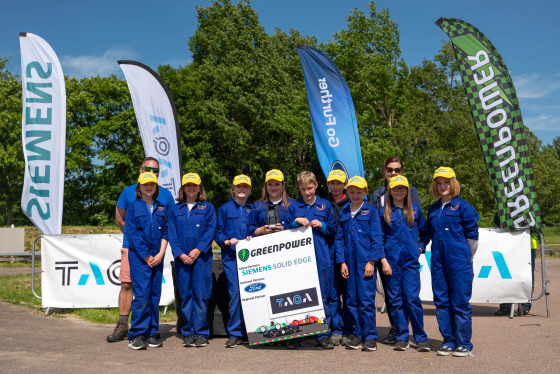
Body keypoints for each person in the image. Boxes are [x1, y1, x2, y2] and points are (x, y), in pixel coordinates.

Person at [107, 157, 175, 343]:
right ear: (140, 170)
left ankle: (151, 331)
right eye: (147, 169)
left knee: (152, 291)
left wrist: (159, 252)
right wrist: (138, 242)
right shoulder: (129, 193)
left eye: (155, 171)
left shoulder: (165, 196)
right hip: (134, 249)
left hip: (156, 251)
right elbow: (121, 219)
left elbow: (168, 225)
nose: (151, 174)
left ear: (158, 174)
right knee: (129, 286)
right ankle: (125, 327)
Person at [423, 167, 479, 357]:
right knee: (441, 302)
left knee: (460, 302)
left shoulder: (464, 207)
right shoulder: (432, 209)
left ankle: (463, 343)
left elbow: (473, 238)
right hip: (438, 262)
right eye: (438, 183)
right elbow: (426, 234)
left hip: (459, 263)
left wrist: (465, 258)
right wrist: (419, 247)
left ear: (453, 183)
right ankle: (448, 341)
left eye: (446, 182)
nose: (442, 186)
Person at [369, 156, 421, 345]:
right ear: (384, 171)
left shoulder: (411, 192)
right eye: (390, 169)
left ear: (402, 171)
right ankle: (396, 328)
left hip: (406, 252)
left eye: (397, 170)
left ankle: (408, 331)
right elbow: (374, 223)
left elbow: (417, 222)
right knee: (392, 295)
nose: (393, 173)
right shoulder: (376, 195)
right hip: (385, 252)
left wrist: (418, 246)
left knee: (409, 295)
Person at [335, 176, 388, 351]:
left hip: (365, 264)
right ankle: (357, 334)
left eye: (359, 192)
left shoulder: (371, 212)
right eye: (352, 192)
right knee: (350, 300)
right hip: (348, 264)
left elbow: (376, 239)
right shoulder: (344, 212)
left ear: (366, 192)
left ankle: (370, 336)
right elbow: (340, 239)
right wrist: (342, 262)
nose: (355, 195)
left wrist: (372, 262)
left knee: (365, 300)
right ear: (347, 192)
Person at [284, 171, 336, 350]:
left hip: (320, 256)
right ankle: (297, 336)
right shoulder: (293, 206)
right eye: (303, 189)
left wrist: (323, 225)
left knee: (321, 296)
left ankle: (322, 335)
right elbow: (284, 231)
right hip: (298, 259)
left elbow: (334, 229)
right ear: (298, 188)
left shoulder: (325, 205)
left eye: (310, 188)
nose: (307, 192)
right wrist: (294, 222)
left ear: (316, 186)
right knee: (298, 296)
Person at [378, 175, 430, 352]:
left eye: (402, 188)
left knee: (412, 298)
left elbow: (425, 231)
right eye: (395, 188)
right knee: (395, 299)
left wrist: (420, 248)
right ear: (390, 191)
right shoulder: (383, 212)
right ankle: (402, 336)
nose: (399, 191)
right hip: (390, 262)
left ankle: (420, 337)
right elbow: (379, 238)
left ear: (407, 190)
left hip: (410, 262)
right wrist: (383, 260)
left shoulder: (415, 210)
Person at [168, 173, 217, 348]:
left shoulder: (208, 207)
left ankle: (202, 333)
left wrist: (197, 250)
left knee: (201, 295)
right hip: (182, 260)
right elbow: (171, 234)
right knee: (186, 295)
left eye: (194, 185)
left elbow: (210, 230)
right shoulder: (175, 209)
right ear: (183, 188)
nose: (191, 188)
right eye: (188, 185)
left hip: (202, 258)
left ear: (199, 188)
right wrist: (180, 254)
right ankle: (188, 332)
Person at [125, 172, 169, 350]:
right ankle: (137, 334)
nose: (149, 187)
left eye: (152, 184)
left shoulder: (162, 207)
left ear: (156, 187)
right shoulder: (133, 207)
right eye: (145, 184)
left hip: (158, 257)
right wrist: (147, 256)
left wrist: (160, 254)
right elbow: (132, 234)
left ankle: (151, 332)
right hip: (139, 258)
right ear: (139, 187)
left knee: (154, 295)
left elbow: (167, 231)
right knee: (142, 295)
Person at [215, 175, 253, 348]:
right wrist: (226, 241)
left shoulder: (255, 209)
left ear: (250, 190)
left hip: (254, 258)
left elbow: (259, 229)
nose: (242, 189)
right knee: (236, 294)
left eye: (245, 186)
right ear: (233, 189)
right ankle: (235, 333)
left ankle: (251, 330)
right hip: (231, 257)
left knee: (253, 293)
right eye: (239, 186)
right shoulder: (224, 209)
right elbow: (218, 231)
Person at [325, 170, 350, 346]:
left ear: (344, 185)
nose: (335, 186)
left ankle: (349, 329)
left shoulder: (353, 202)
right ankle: (336, 329)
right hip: (328, 253)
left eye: (338, 183)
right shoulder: (323, 204)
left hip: (348, 254)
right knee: (332, 294)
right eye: (332, 183)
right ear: (328, 185)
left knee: (348, 293)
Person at [247, 169, 295, 237]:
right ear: (266, 186)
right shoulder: (257, 206)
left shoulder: (293, 204)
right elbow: (249, 229)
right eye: (270, 184)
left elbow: (298, 227)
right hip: (264, 246)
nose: (273, 187)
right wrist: (261, 230)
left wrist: (284, 229)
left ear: (283, 185)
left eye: (277, 184)